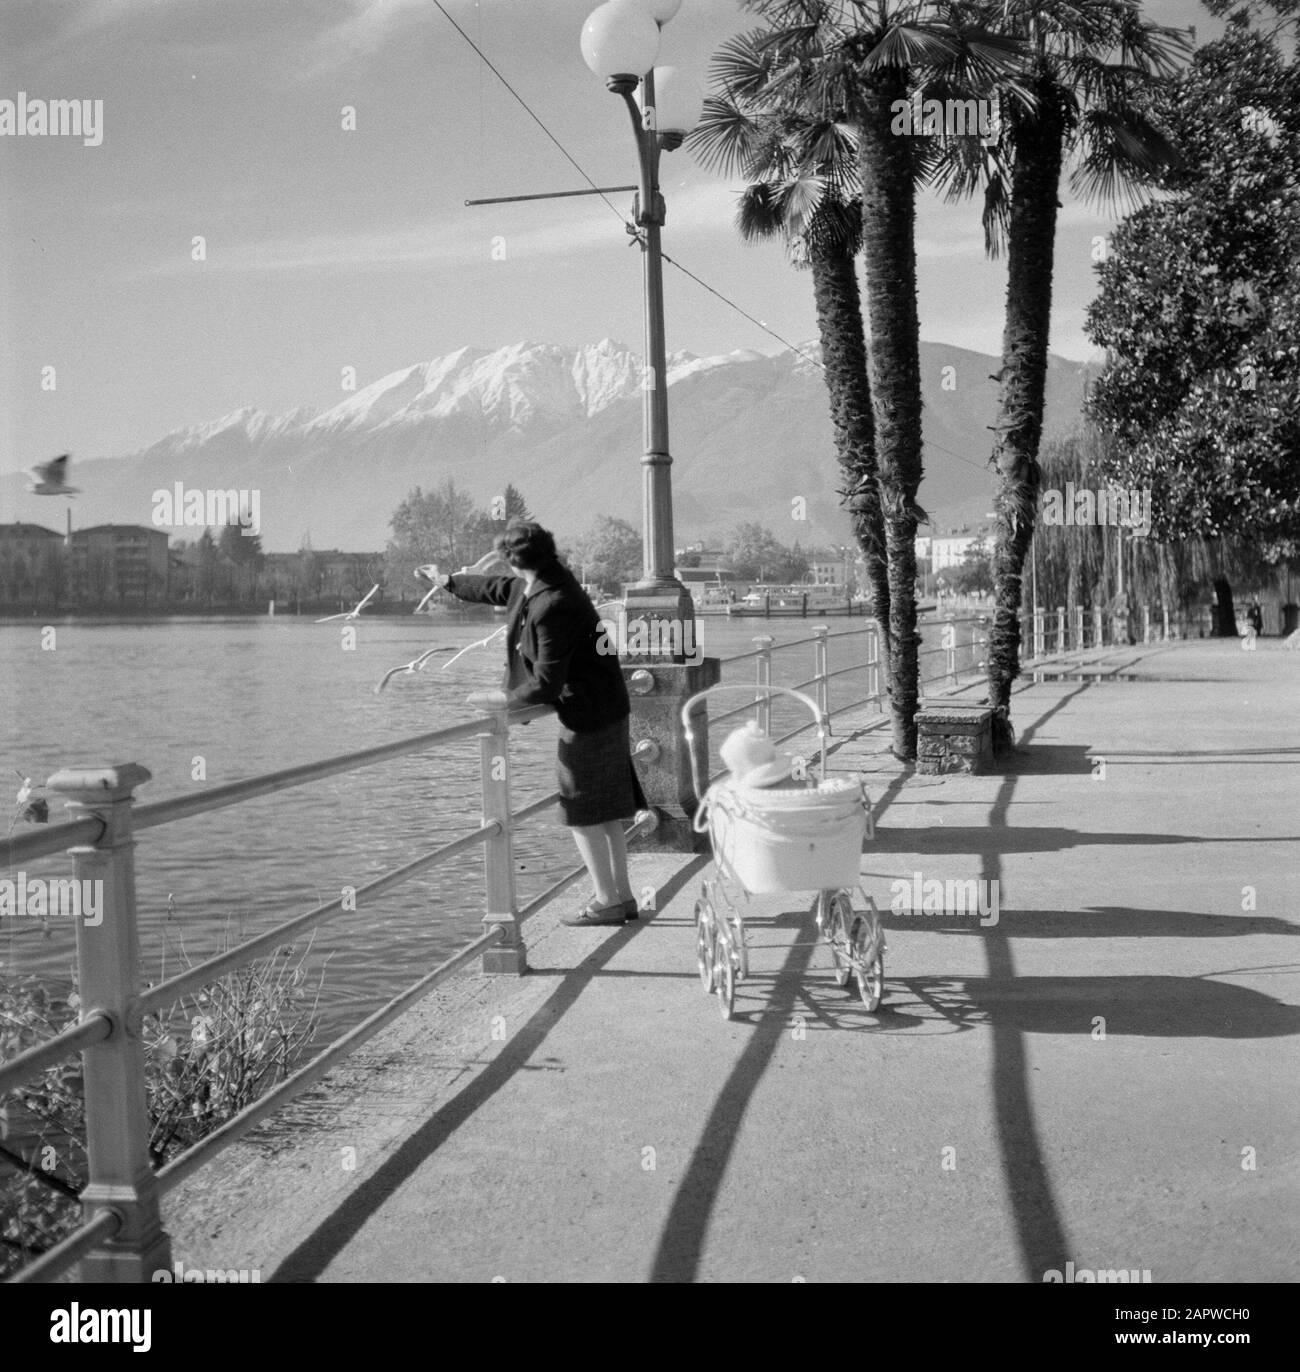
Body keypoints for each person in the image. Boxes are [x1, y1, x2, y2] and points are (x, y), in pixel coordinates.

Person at [418, 520, 648, 928]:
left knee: (582, 811)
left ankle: (606, 901)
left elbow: (546, 682)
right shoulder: (544, 584)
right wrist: (447, 581)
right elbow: (493, 589)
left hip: (589, 716)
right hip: (606, 706)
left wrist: (501, 702)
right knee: (606, 811)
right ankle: (623, 898)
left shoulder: (551, 603)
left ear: (511, 560)